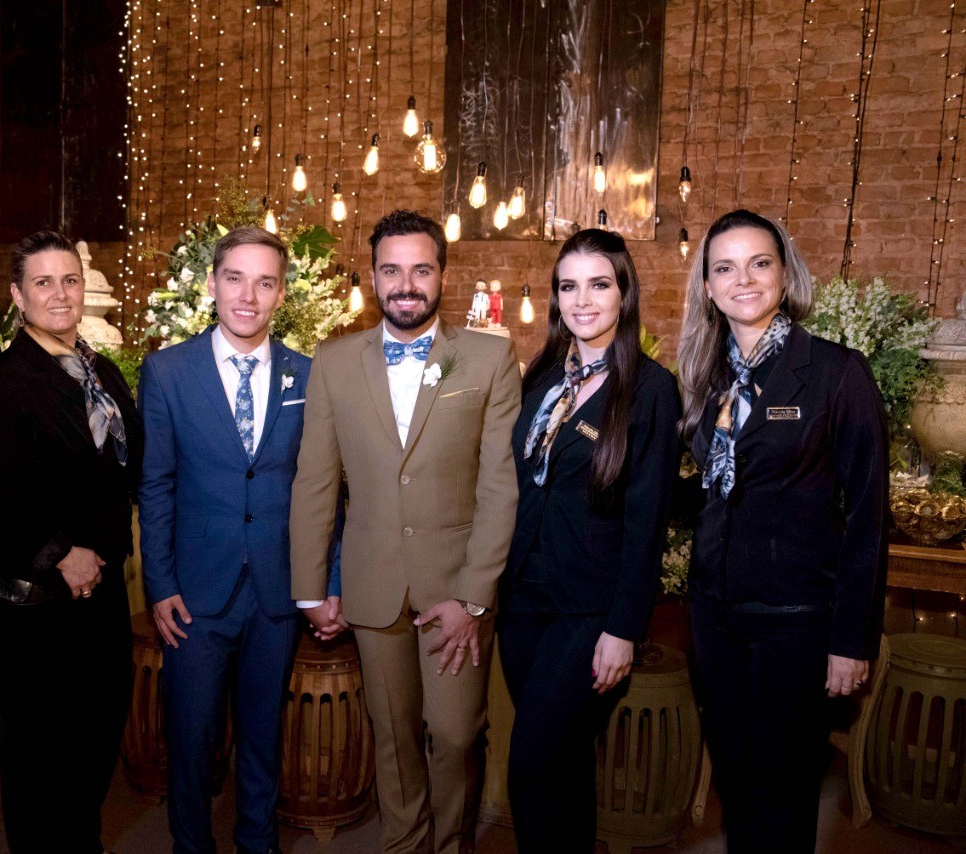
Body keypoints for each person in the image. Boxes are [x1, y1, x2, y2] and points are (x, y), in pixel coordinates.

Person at [290, 209, 522, 854]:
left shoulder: (489, 357)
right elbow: (315, 482)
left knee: (454, 734)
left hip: (457, 587)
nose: (405, 284)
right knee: (391, 735)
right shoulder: (334, 361)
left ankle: (450, 845)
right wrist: (310, 586)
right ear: (372, 277)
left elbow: (500, 486)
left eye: (421, 269)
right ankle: (402, 842)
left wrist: (474, 596)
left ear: (443, 275)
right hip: (373, 585)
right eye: (391, 270)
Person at [676, 209, 887, 852]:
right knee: (737, 787)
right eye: (725, 268)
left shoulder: (835, 372)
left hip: (795, 622)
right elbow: (704, 493)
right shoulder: (704, 376)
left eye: (759, 263)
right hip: (714, 615)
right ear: (708, 287)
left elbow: (868, 515)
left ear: (785, 275)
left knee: (784, 794)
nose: (743, 280)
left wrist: (851, 641)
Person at [0, 230, 142, 853]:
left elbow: (124, 469)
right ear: (18, 295)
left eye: (69, 280)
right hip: (38, 607)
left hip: (102, 596)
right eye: (43, 282)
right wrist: (61, 551)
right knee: (41, 757)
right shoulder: (0, 383)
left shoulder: (100, 372)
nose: (59, 294)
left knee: (95, 741)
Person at [498, 229, 681, 851]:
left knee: (531, 763)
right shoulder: (543, 376)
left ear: (624, 293)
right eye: (568, 286)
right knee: (565, 761)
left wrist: (624, 628)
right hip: (523, 601)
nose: (582, 301)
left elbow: (648, 520)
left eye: (599, 285)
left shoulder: (651, 389)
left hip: (589, 611)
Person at [139, 226, 318, 854]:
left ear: (281, 294)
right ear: (213, 284)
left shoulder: (307, 374)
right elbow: (155, 484)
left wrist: (325, 581)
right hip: (194, 594)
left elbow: (322, 488)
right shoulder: (167, 371)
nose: (248, 296)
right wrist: (159, 583)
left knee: (263, 739)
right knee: (191, 740)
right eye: (235, 279)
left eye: (265, 283)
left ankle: (258, 844)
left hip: (276, 590)